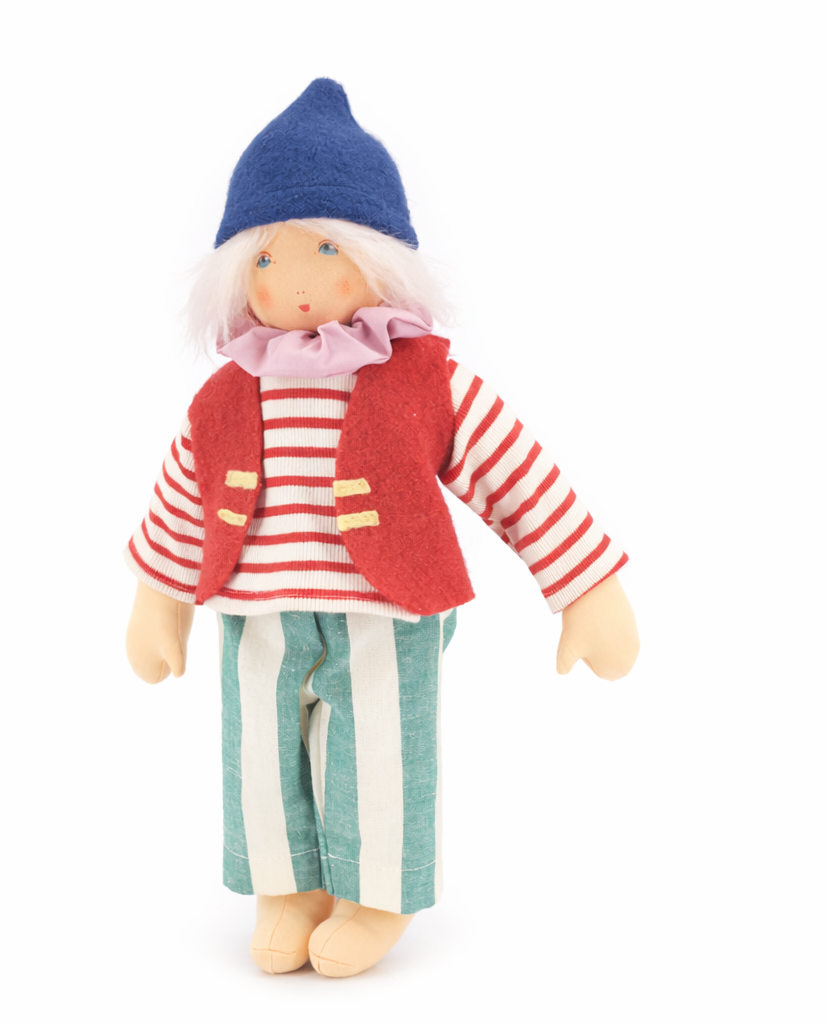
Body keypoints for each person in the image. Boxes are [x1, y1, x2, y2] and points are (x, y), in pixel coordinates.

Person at [124, 79, 639, 977]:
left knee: (382, 759)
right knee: (259, 758)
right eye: (267, 258)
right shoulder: (227, 394)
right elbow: (183, 494)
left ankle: (375, 895)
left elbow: (514, 472)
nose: (294, 281)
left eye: (325, 249)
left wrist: (584, 586)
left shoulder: (426, 380)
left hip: (386, 609)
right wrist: (157, 601)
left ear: (376, 260)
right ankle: (285, 888)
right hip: (256, 611)